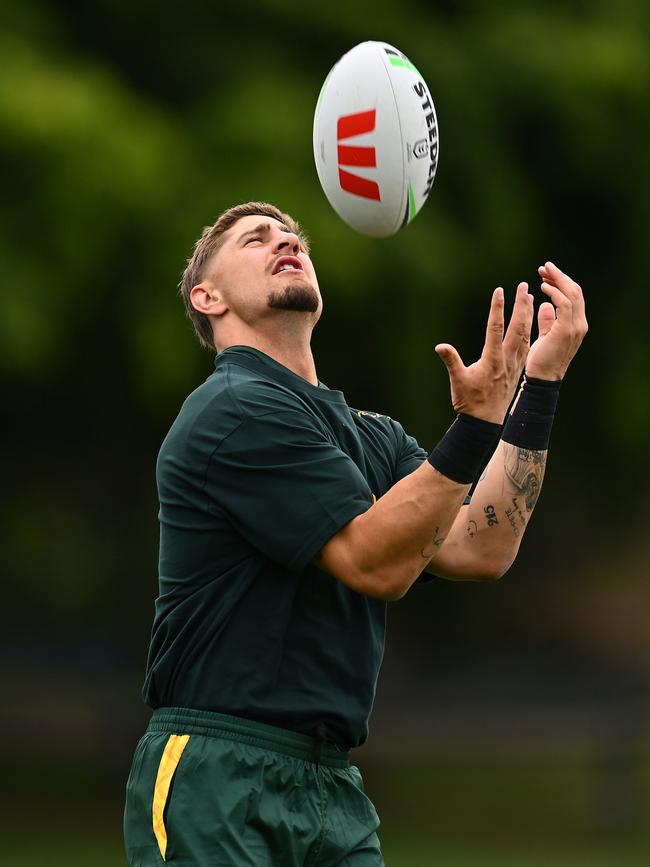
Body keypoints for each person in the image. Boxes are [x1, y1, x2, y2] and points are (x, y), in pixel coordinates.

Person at [123, 201, 587, 866]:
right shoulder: (233, 410)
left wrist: (538, 384)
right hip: (217, 774)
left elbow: (480, 544)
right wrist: (476, 424)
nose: (284, 240)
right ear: (208, 296)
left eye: (293, 235)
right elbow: (376, 561)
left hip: (329, 783)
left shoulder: (371, 435)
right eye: (256, 239)